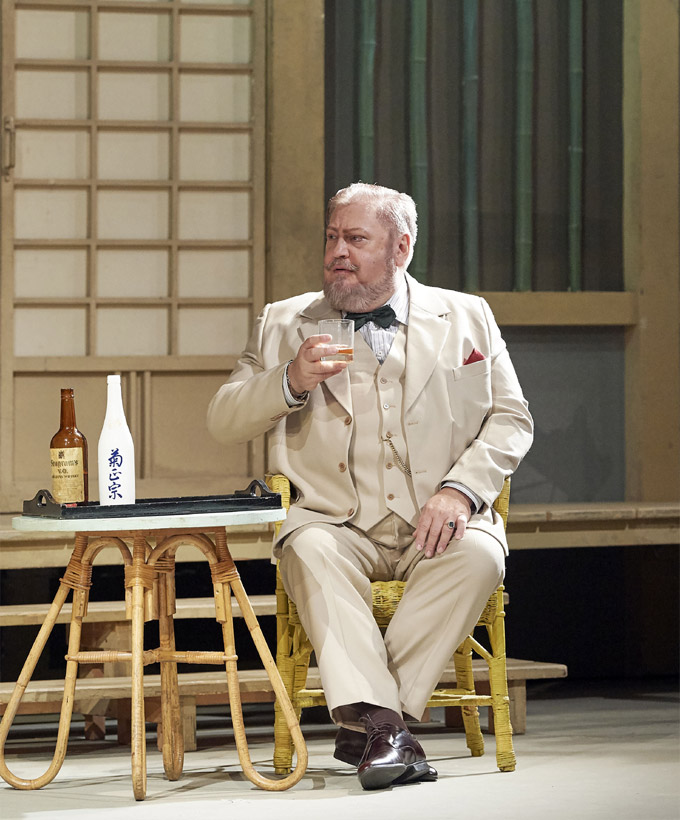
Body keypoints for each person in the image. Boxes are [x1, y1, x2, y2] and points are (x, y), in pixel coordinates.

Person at [207, 182, 533, 790]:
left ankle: (371, 726)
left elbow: (512, 419)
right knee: (306, 549)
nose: (338, 252)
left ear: (401, 248)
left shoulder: (467, 315)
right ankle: (389, 726)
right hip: (335, 522)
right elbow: (223, 418)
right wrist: (290, 379)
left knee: (481, 554)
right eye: (333, 237)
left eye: (356, 239)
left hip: (434, 519)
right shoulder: (283, 322)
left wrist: (461, 490)